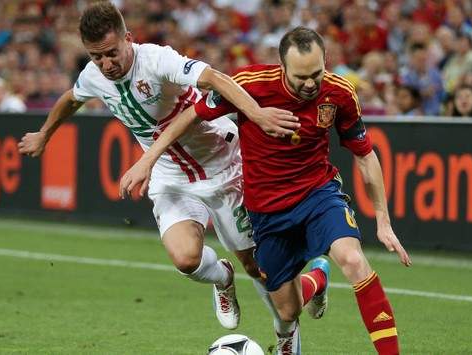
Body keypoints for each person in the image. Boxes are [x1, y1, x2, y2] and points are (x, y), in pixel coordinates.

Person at [121, 27, 412, 355]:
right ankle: (317, 278)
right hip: (267, 212)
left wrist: (384, 222)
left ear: (325, 62)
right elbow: (191, 115)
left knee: (353, 259)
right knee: (288, 310)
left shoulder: (340, 92)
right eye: (301, 76)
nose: (310, 84)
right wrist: (148, 159)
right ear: (282, 66)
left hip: (318, 194)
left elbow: (364, 154)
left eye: (316, 73)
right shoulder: (249, 86)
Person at [17, 1, 300, 331]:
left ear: (128, 38)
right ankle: (222, 278)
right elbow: (71, 98)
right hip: (170, 174)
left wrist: (256, 113)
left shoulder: (156, 60)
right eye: (97, 56)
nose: (106, 64)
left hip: (221, 165)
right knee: (186, 260)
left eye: (111, 52)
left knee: (255, 265)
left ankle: (285, 334)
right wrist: (44, 134)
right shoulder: (94, 75)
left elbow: (214, 78)